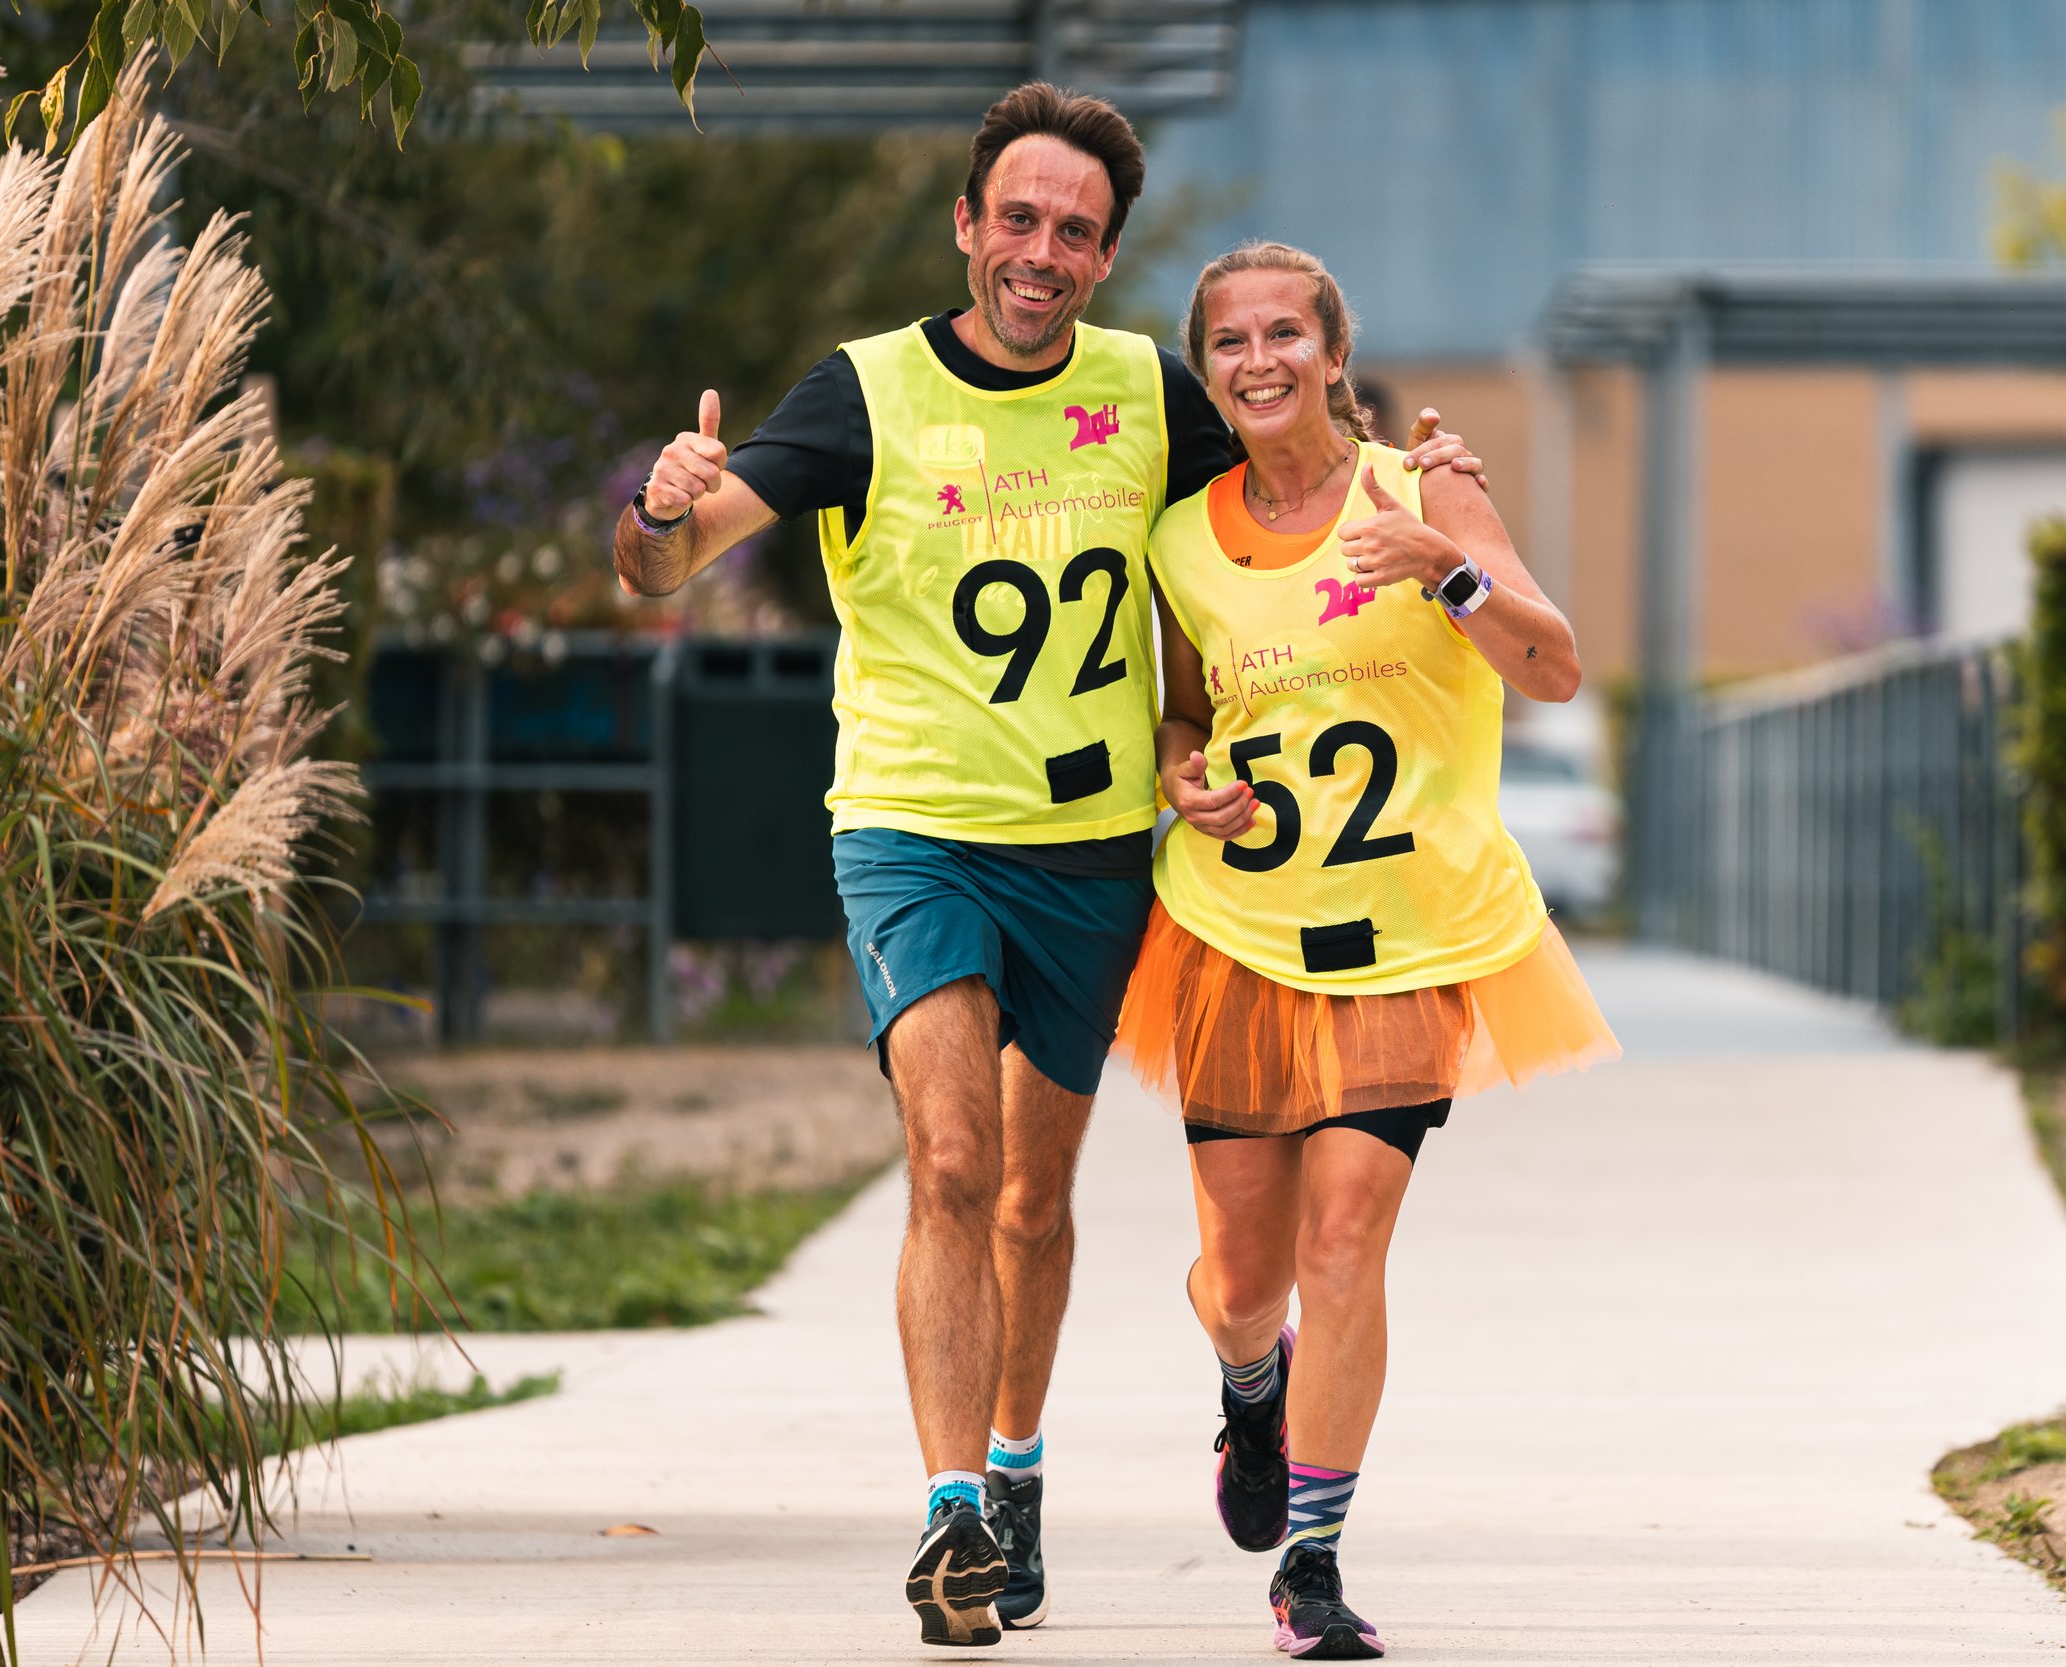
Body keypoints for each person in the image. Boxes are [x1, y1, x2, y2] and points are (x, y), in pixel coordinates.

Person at [611, 90, 1485, 1649]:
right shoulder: (866, 393)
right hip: (915, 830)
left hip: (1087, 854)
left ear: (1103, 257)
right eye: (1017, 218)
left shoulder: (1148, 390)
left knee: (1030, 1197)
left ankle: (1016, 1471)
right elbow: (669, 561)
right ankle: (953, 1510)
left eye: (1075, 231)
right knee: (950, 1160)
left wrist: (1431, 479)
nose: (1041, 250)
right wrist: (658, 511)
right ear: (966, 226)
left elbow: (1298, 464)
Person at [1114, 242, 1620, 1660]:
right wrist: (1183, 773)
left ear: (1335, 354)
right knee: (1241, 1280)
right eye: (1231, 342)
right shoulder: (1180, 538)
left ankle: (1315, 1563)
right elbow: (1187, 709)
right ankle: (1250, 1388)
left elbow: (1554, 664)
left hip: (1409, 934)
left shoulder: (1427, 486)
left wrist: (1447, 573)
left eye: (1287, 333)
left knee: (1346, 1239)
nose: (1259, 361)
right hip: (1236, 933)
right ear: (1207, 369)